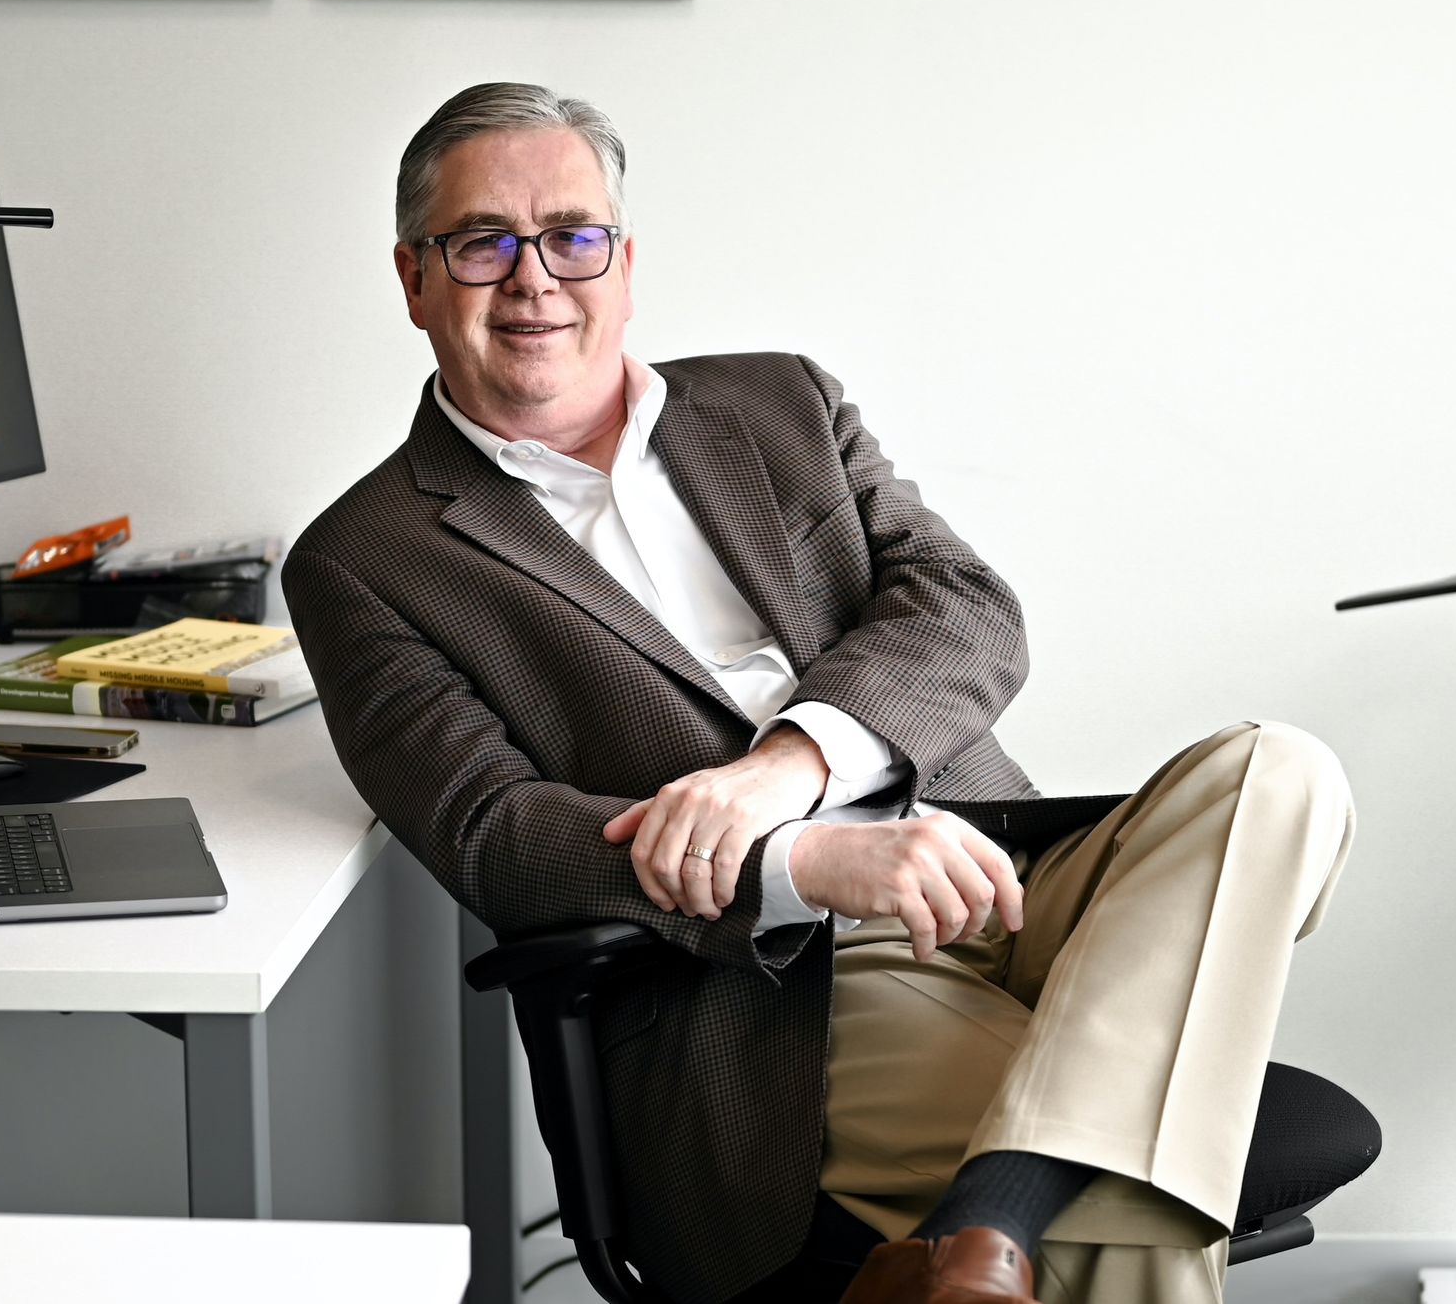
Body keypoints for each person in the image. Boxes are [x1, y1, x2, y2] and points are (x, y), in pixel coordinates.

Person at [284, 83, 1356, 1304]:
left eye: (573, 236)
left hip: (999, 872)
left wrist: (787, 770)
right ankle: (990, 1237)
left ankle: (979, 1229)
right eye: (484, 243)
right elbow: (497, 838)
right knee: (1128, 1184)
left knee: (1282, 769)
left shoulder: (779, 401)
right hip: (773, 991)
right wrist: (799, 862)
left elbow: (966, 606)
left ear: (624, 264)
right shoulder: (363, 557)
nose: (536, 278)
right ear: (415, 279)